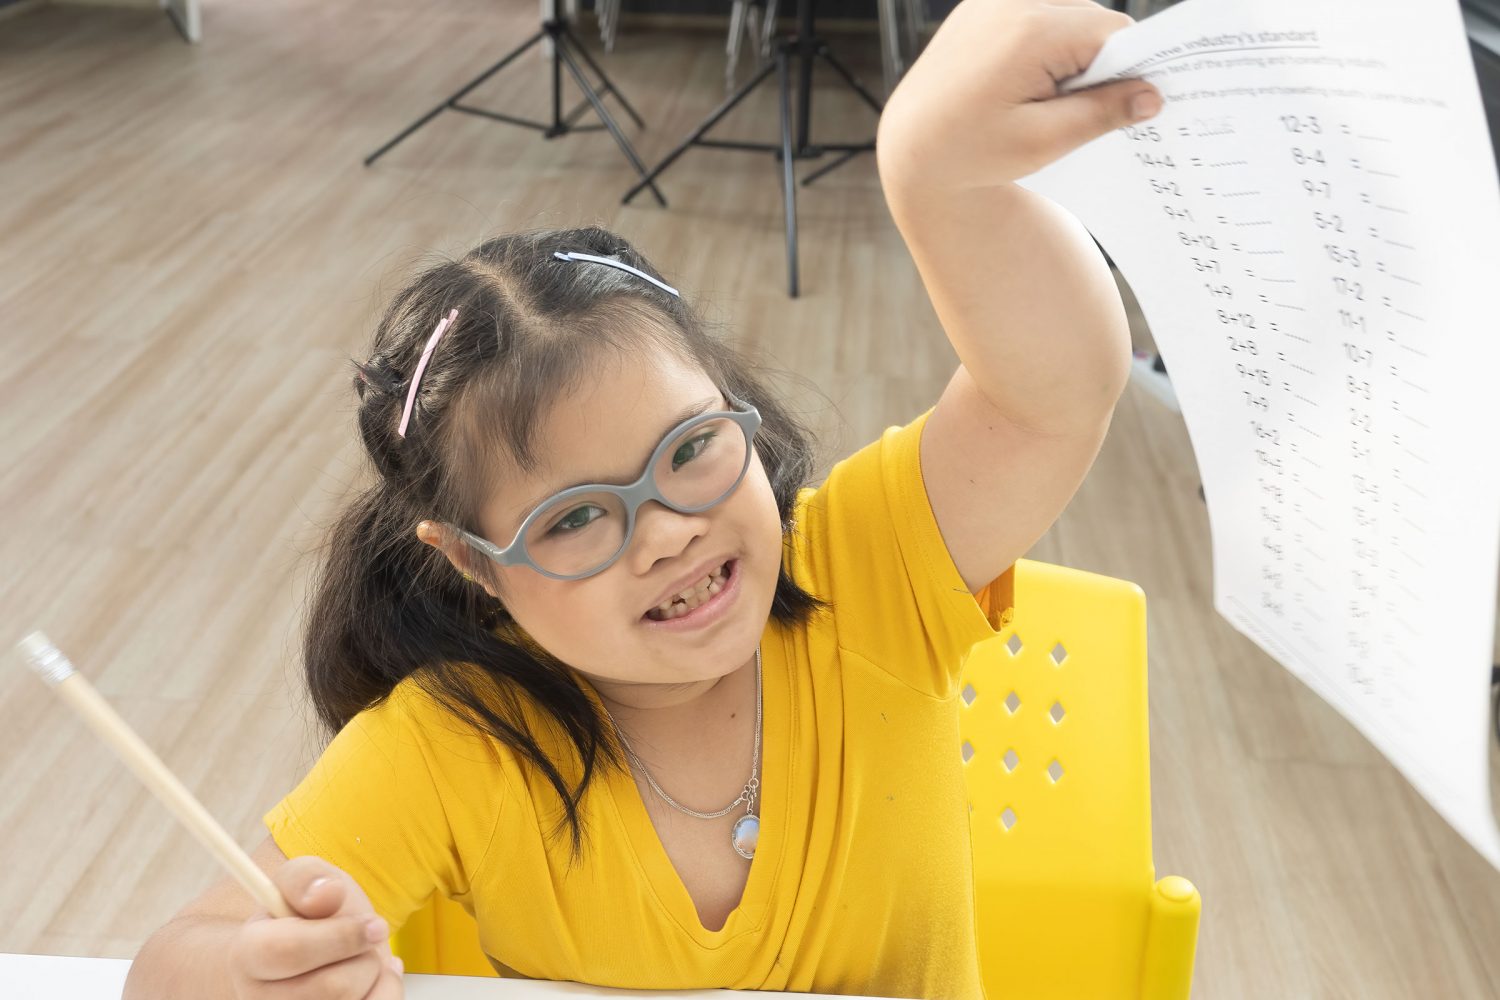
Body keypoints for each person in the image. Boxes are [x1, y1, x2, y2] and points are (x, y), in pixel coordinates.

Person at [123, 1, 1163, 997]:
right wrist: (247, 972)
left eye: (691, 447)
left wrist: (938, 181)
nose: (667, 533)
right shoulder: (456, 743)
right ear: (475, 562)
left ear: (735, 407)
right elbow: (171, 962)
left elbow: (1053, 394)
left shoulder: (866, 570)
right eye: (575, 516)